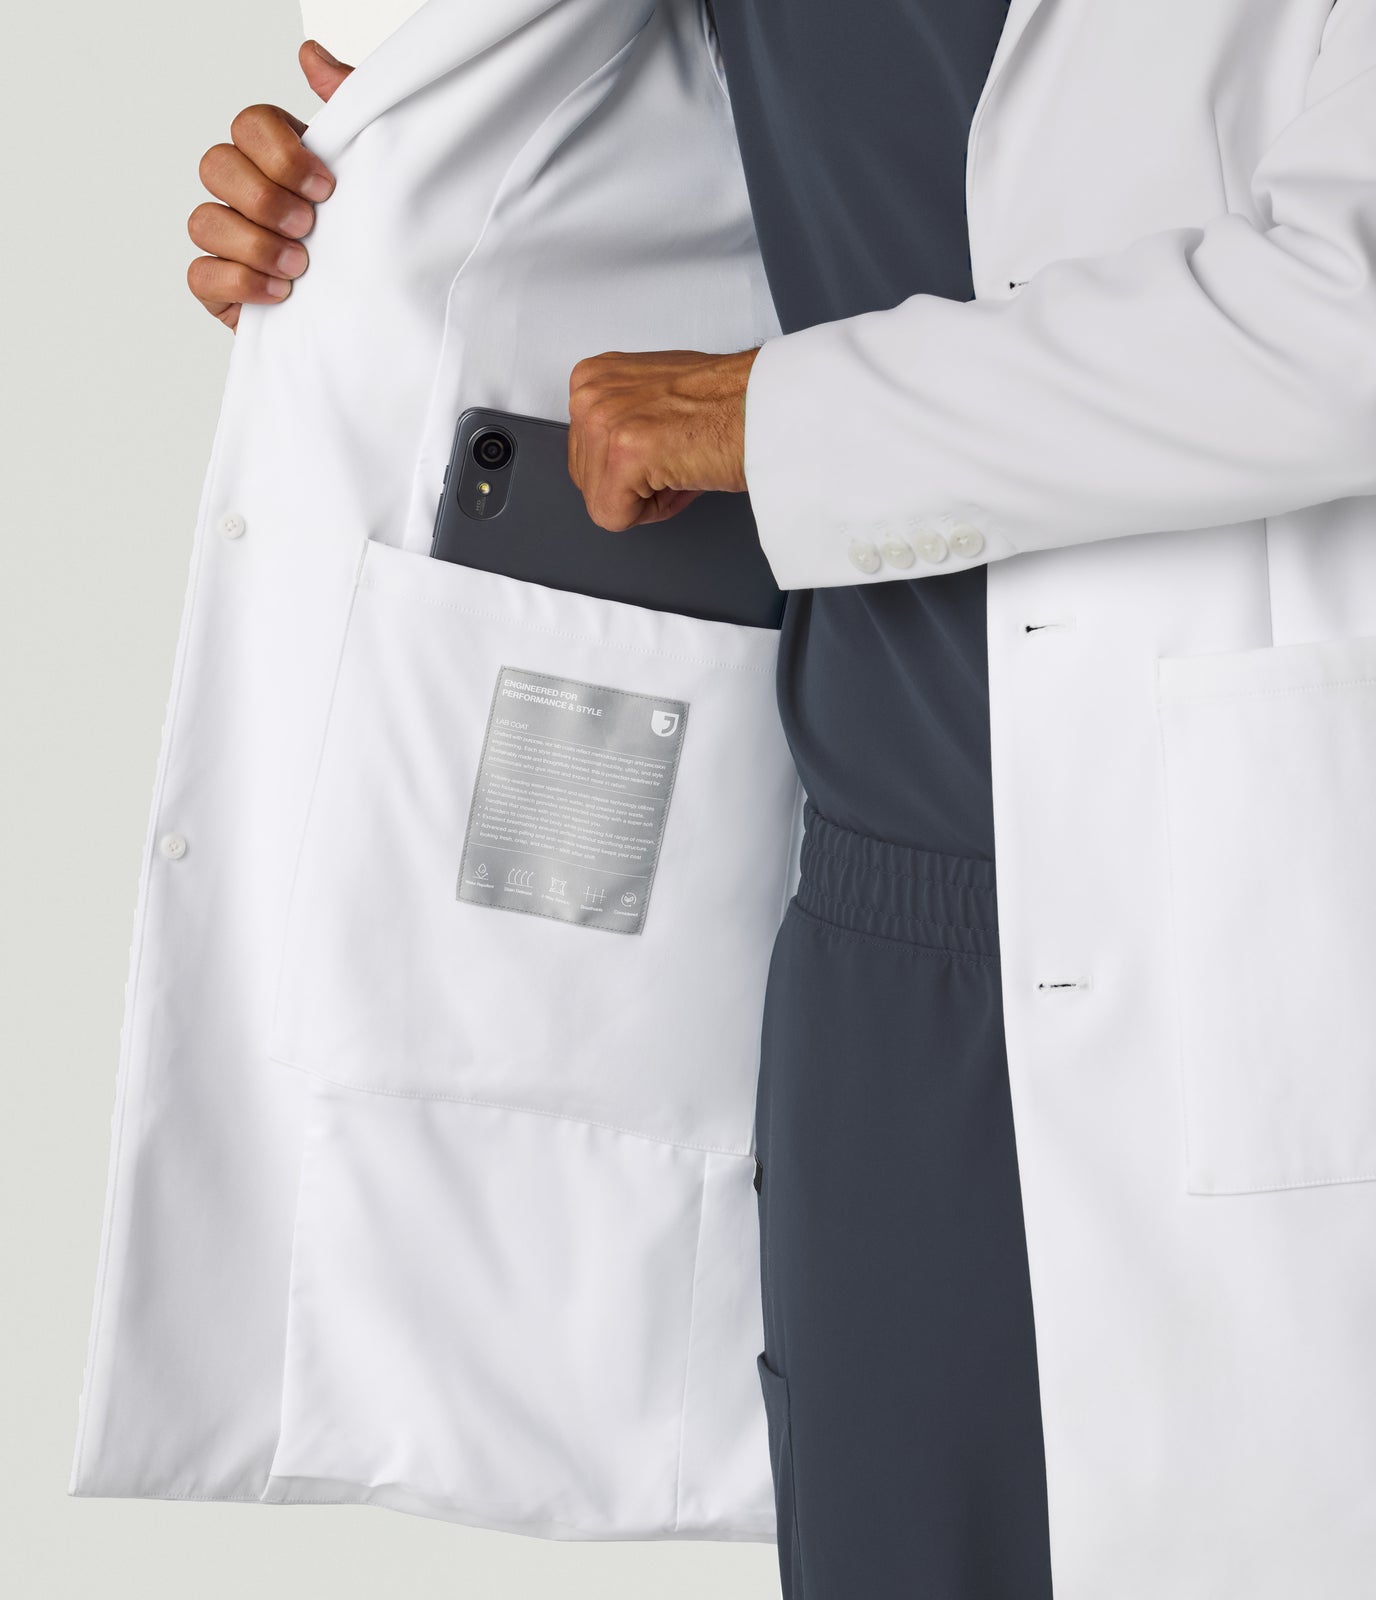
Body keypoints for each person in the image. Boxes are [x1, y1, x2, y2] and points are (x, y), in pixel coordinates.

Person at [182, 10, 1374, 1596]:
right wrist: (366, 207)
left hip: (1256, 903)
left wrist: (778, 417)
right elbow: (639, 145)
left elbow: (1348, 313)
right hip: (874, 937)